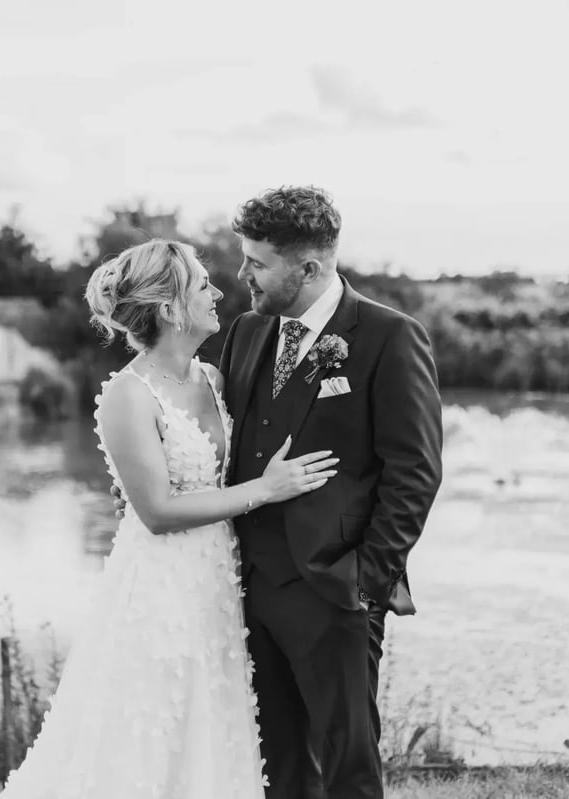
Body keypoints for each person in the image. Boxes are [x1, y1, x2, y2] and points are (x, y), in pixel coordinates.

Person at [0, 238, 338, 799]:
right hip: (160, 583)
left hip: (219, 580)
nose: (218, 291)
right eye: (203, 283)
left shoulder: (213, 379)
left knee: (213, 721)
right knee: (153, 724)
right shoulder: (127, 396)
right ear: (169, 306)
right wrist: (265, 489)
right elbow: (155, 511)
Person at [221, 185, 443, 799]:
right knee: (279, 767)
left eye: (258, 262)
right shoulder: (246, 332)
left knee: (346, 768)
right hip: (250, 589)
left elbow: (415, 472)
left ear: (310, 267)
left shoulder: (389, 338)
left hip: (335, 591)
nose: (244, 273)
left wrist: (365, 582)